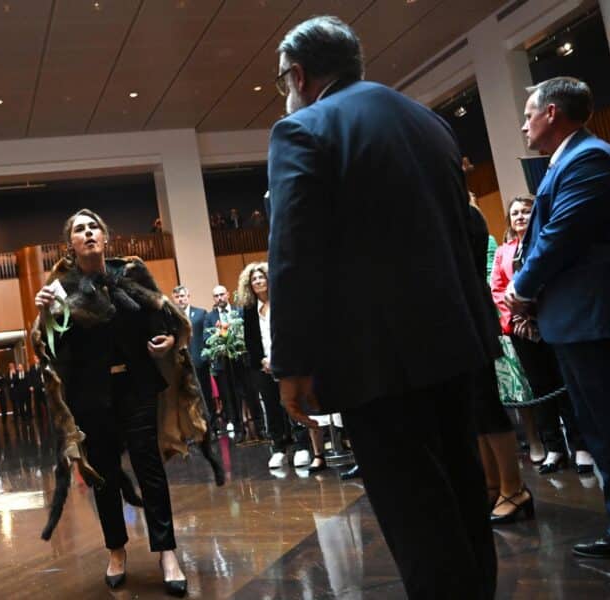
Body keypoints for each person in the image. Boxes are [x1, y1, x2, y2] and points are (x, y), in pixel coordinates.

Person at [267, 17, 498, 599]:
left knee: (416, 513)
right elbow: (469, 231)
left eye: (282, 80)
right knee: (465, 493)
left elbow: (294, 253)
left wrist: (289, 364)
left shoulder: (303, 129)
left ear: (298, 74)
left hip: (376, 361)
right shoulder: (427, 121)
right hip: (453, 342)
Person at [33, 209, 218, 597]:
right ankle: (116, 551)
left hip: (136, 386)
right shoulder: (63, 286)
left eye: (93, 227)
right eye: (79, 230)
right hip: (91, 395)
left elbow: (160, 319)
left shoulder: (131, 273)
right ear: (71, 243)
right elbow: (53, 346)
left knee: (149, 468)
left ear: (105, 236)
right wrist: (44, 314)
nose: (87, 233)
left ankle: (167, 552)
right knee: (105, 475)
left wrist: (167, 339)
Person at [508, 76, 610, 592]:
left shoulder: (590, 158)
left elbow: (561, 236)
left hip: (595, 315)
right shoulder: (567, 159)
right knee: (600, 433)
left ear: (552, 113)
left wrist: (521, 287)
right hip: (573, 317)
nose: (523, 123)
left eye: (529, 113)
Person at [491, 196, 593, 475]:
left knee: (563, 383)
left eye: (526, 211)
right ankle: (554, 448)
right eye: (515, 213)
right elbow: (498, 287)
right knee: (540, 387)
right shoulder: (503, 251)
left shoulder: (543, 244)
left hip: (550, 319)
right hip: (520, 326)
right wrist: (513, 309)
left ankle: (581, 446)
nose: (520, 216)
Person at [463, 203, 533, 525]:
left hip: (471, 319)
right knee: (474, 411)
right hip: (458, 322)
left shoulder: (469, 215)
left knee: (487, 407)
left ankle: (513, 488)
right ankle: (492, 484)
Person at [236, 263, 321, 470]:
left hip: (287, 363)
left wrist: (280, 359)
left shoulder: (281, 303)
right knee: (271, 406)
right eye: (253, 279)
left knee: (292, 404)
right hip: (263, 366)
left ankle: (301, 445)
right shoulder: (249, 310)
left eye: (261, 277)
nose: (257, 281)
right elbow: (251, 340)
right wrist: (263, 361)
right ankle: (279, 448)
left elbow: (290, 332)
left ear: (268, 279)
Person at [204, 285, 255, 438]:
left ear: (227, 295)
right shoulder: (209, 317)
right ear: (214, 298)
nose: (219, 298)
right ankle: (239, 429)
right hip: (224, 364)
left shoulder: (239, 311)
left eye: (221, 294)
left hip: (242, 361)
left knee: (249, 392)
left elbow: (248, 332)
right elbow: (206, 339)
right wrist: (219, 338)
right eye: (216, 296)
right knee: (230, 398)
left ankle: (258, 426)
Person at [171, 285, 217, 433]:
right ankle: (194, 429)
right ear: (174, 298)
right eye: (177, 297)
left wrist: (207, 357)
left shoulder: (200, 313)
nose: (180, 299)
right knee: (189, 397)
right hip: (182, 364)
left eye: (183, 296)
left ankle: (212, 425)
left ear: (188, 297)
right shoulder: (171, 316)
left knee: (205, 394)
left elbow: (207, 337)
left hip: (199, 362)